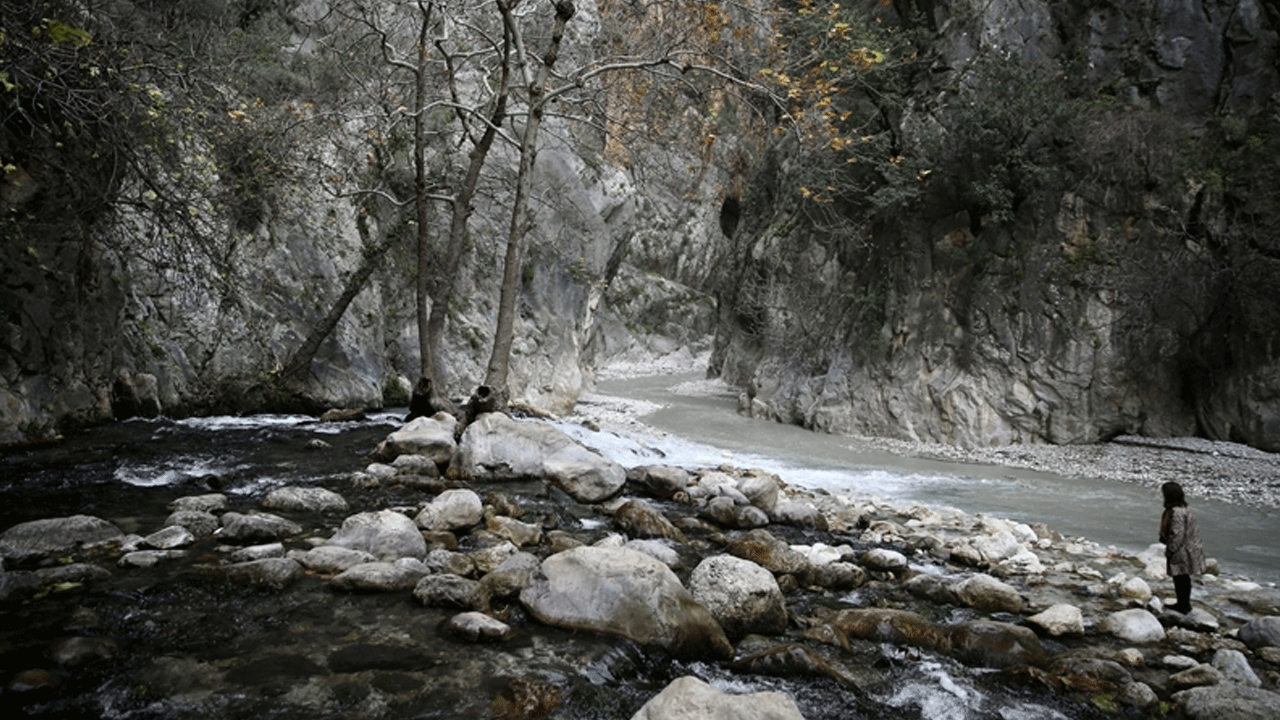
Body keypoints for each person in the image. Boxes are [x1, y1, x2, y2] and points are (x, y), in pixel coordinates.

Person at [1159, 481, 1206, 614]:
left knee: (1180, 579)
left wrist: (1170, 550)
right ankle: (1184, 604)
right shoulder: (1186, 509)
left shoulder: (1176, 513)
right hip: (1191, 549)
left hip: (1182, 551)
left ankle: (1183, 605)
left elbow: (1177, 534)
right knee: (1184, 578)